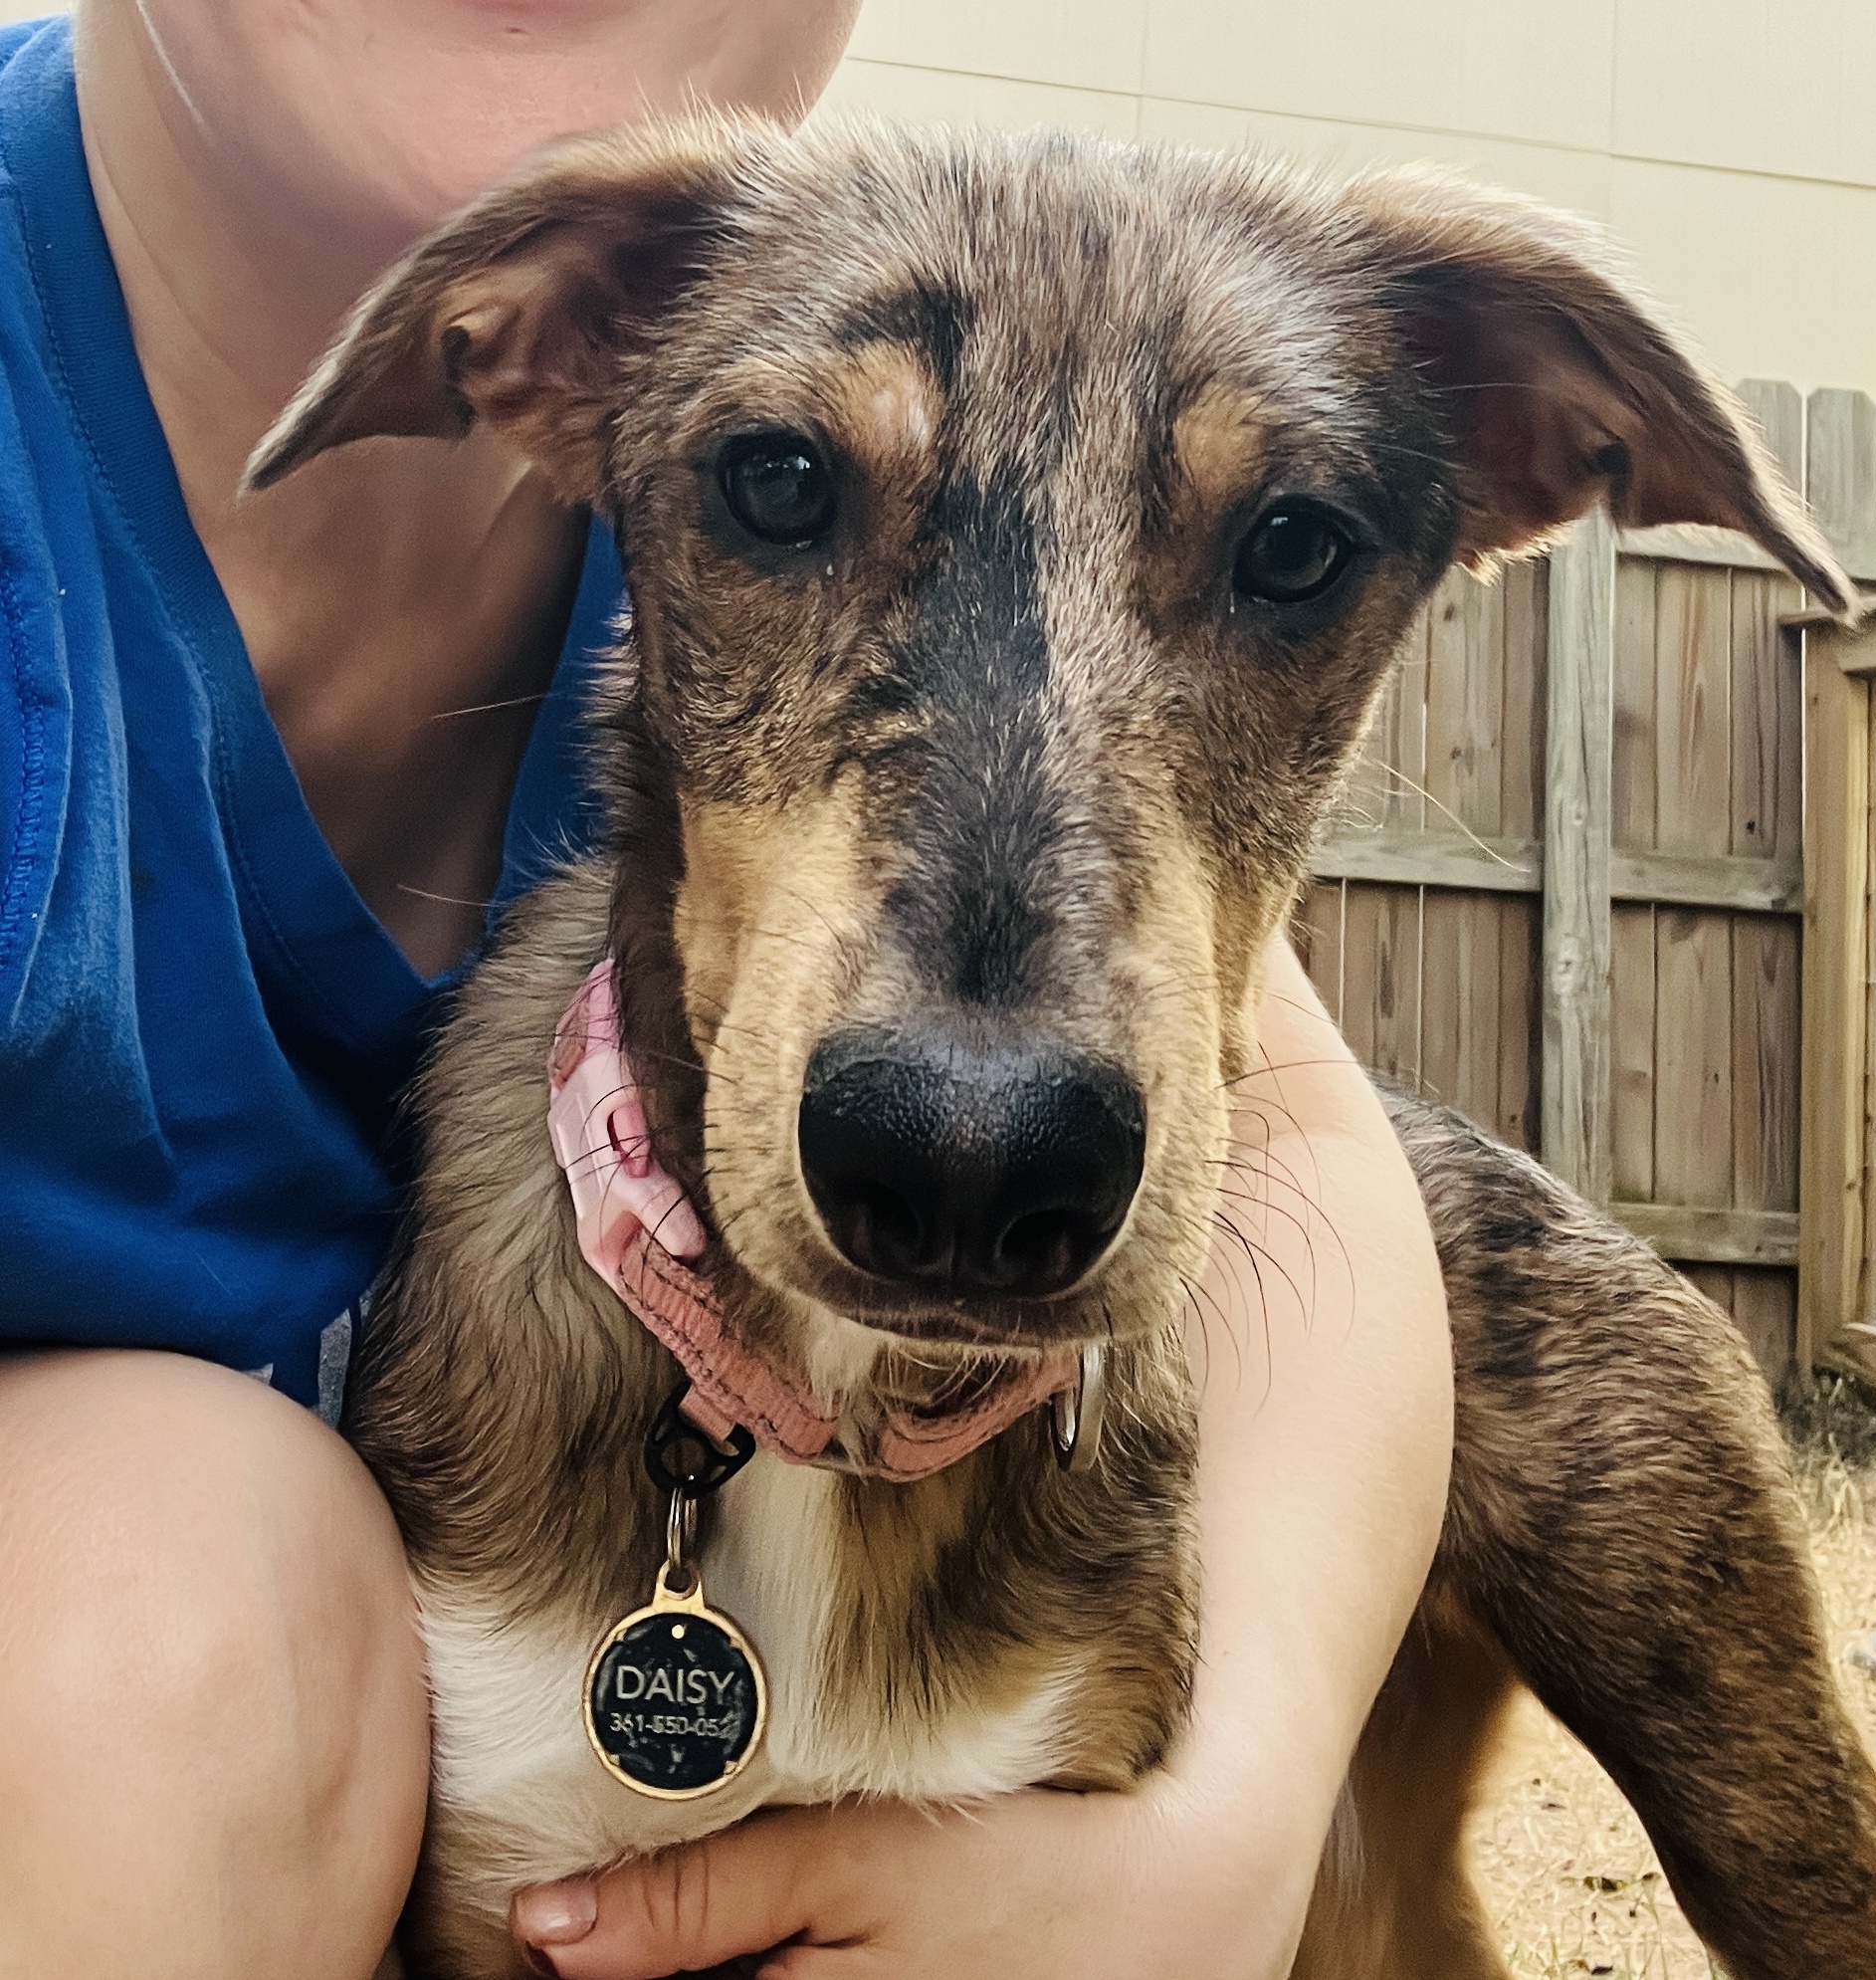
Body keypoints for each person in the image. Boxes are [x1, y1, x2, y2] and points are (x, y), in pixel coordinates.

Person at [0, 3, 1454, 1976]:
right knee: (151, 1572)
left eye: (1285, 548)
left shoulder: (836, 352)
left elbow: (1287, 1101)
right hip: (173, 1672)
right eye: (779, 494)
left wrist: (1238, 1816)